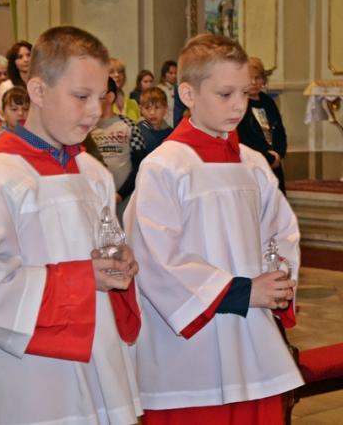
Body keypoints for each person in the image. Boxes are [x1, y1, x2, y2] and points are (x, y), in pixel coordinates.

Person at [0, 25, 142, 425]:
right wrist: (83, 279)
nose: (94, 111)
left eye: (101, 97)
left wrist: (120, 264)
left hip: (98, 353)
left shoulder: (94, 174)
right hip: (33, 374)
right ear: (37, 90)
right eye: (81, 97)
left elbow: (103, 247)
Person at [124, 33, 302, 424]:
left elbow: (283, 233)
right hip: (190, 355)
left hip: (252, 340)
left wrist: (278, 281)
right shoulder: (165, 166)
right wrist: (242, 291)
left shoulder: (253, 164)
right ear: (187, 93)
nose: (239, 105)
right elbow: (156, 258)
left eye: (244, 93)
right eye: (225, 94)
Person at [90, 77, 145, 215]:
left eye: (98, 96)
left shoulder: (130, 126)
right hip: (95, 201)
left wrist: (120, 195)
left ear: (110, 97)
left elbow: (140, 166)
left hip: (125, 202)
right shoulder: (86, 128)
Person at [237, 56, 288, 194]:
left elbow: (279, 130)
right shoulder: (239, 103)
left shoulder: (268, 102)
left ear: (263, 80)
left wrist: (279, 154)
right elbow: (243, 138)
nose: (254, 82)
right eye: (250, 78)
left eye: (258, 78)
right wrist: (267, 157)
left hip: (274, 162)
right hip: (253, 164)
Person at [137, 86, 172, 155]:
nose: (152, 112)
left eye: (157, 107)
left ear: (166, 108)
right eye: (147, 108)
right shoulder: (137, 132)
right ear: (141, 109)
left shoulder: (171, 133)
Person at [157, 60, 178, 126]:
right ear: (164, 74)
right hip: (166, 124)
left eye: (176, 73)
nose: (174, 76)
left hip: (177, 122)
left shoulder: (177, 88)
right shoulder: (159, 89)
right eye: (171, 73)